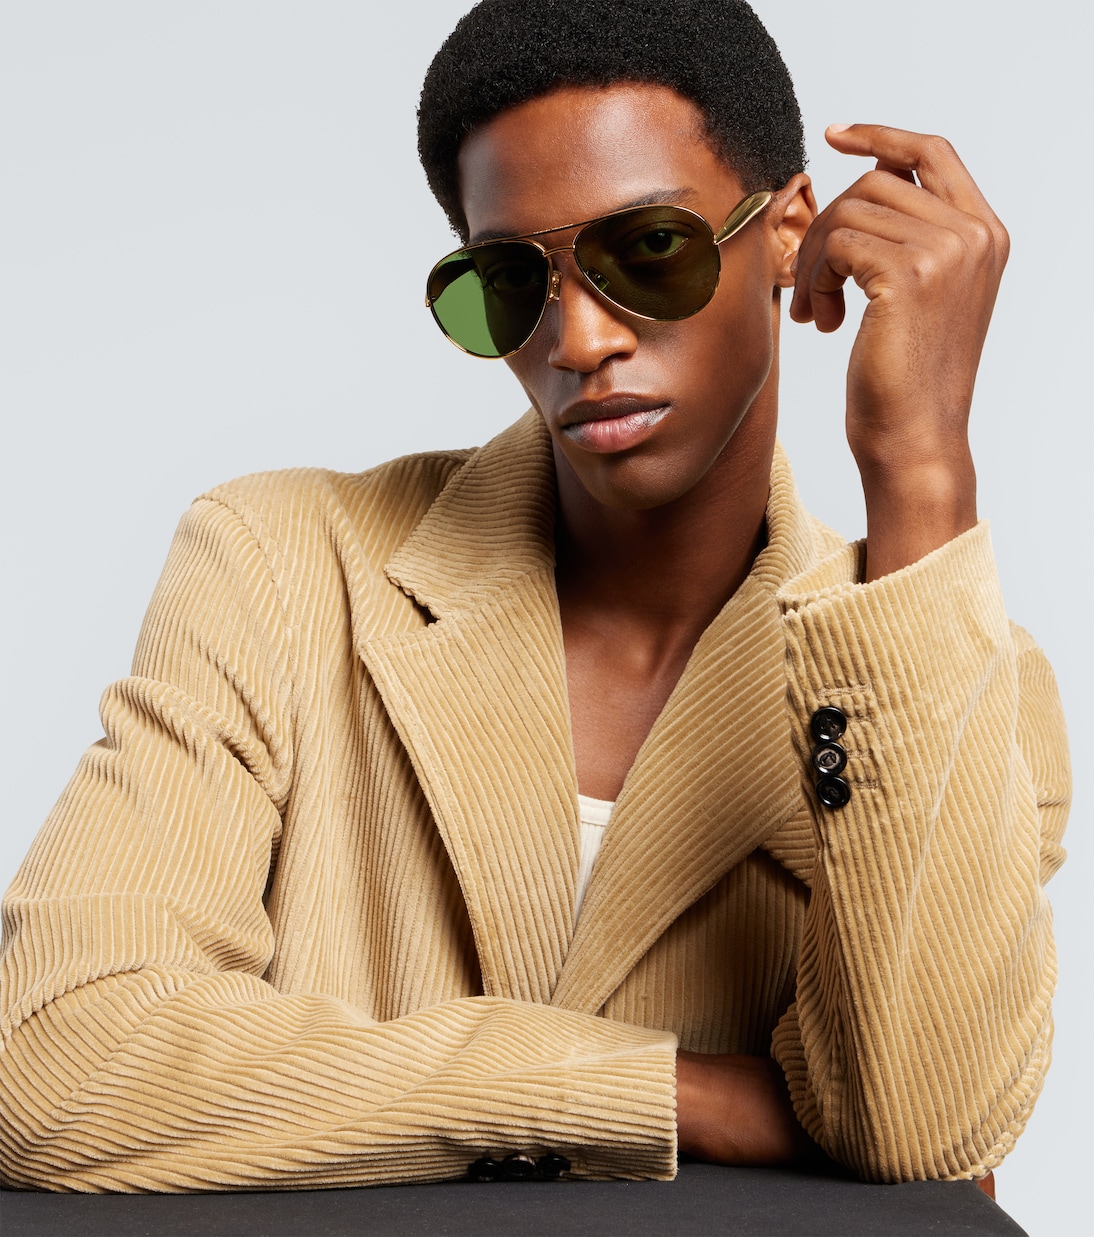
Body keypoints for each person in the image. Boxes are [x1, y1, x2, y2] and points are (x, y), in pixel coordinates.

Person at [0, 0, 1069, 1193]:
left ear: (786, 232)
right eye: (510, 282)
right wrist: (660, 1092)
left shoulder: (963, 680)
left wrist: (919, 469)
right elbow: (51, 1064)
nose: (578, 339)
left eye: (648, 249)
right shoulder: (282, 566)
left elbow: (921, 1132)